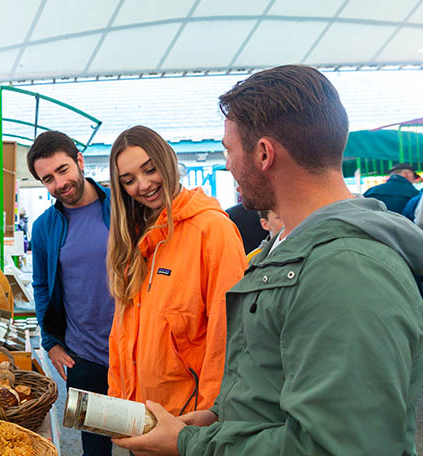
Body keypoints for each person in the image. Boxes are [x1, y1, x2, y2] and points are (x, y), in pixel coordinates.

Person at [113, 65, 423, 456]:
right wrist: (219, 415)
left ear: (262, 153)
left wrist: (191, 443)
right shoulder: (288, 246)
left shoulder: (346, 269)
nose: (227, 164)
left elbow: (337, 446)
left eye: (229, 150)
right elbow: (273, 380)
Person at [106, 125, 247, 418]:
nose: (143, 185)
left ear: (168, 161)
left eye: (150, 169)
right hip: (139, 419)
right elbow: (122, 335)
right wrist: (118, 406)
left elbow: (229, 335)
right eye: (129, 180)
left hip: (188, 423)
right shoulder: (133, 239)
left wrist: (210, 417)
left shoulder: (212, 230)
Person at [28, 130, 115, 455]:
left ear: (79, 161)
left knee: (145, 442)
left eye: (63, 170)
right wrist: (50, 341)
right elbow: (41, 286)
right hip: (84, 359)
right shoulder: (44, 227)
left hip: (135, 355)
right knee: (94, 449)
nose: (59, 184)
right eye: (48, 178)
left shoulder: (123, 207)